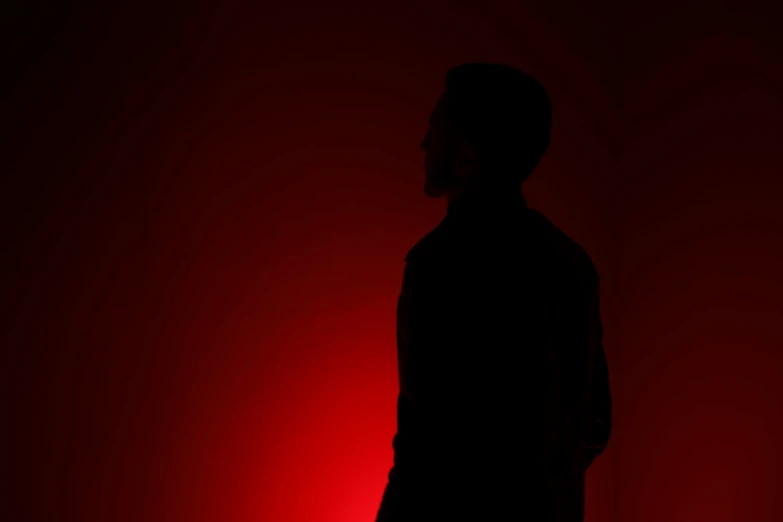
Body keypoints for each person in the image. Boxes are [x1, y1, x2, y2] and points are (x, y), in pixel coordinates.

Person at [375, 63, 612, 522]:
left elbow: (420, 450)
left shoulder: (436, 265)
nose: (424, 143)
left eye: (435, 127)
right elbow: (595, 424)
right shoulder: (572, 265)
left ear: (467, 154)